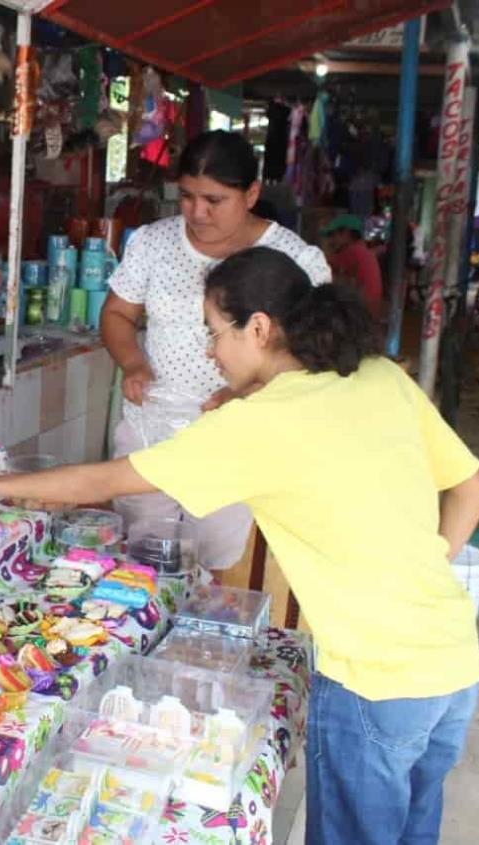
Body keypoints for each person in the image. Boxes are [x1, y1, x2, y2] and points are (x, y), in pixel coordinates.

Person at [0, 246, 479, 845]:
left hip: (374, 680)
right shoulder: (380, 376)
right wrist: (416, 571)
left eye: (216, 333)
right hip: (451, 662)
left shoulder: (259, 426)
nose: (210, 352)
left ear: (259, 327)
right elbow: (474, 488)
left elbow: (111, 479)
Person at [100, 130, 331, 570]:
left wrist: (241, 395)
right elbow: (117, 315)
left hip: (238, 432)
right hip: (152, 423)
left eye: (214, 200)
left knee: (210, 562)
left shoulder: (294, 259)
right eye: (186, 196)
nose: (196, 212)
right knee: (145, 559)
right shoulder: (153, 242)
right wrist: (133, 362)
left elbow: (312, 353)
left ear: (252, 194)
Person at [323, 213, 384, 320]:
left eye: (332, 235)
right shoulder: (362, 250)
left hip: (360, 313)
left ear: (346, 233)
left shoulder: (352, 252)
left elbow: (322, 266)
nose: (330, 240)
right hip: (367, 310)